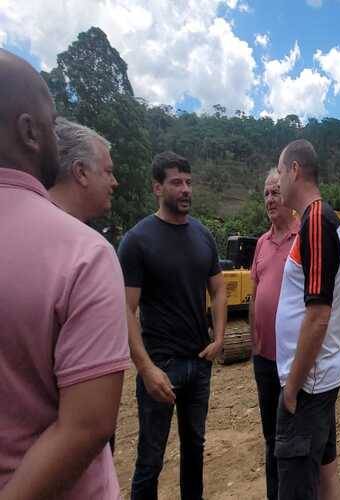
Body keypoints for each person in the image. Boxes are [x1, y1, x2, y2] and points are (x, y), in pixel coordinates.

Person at [0, 49, 129, 499]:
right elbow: (88, 427)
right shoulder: (84, 255)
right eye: (50, 121)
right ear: (30, 131)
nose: (114, 183)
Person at [118, 151, 228, 500]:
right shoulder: (137, 240)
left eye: (189, 182)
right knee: (150, 459)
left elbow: (219, 287)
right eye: (176, 182)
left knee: (195, 451)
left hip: (199, 363)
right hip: (160, 367)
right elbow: (125, 309)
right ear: (157, 187)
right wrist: (145, 368)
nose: (185, 189)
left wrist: (221, 337)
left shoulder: (203, 235)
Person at [274, 139, 340, 500]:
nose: (276, 180)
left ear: (294, 170)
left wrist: (291, 388)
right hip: (317, 381)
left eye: (279, 170)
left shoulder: (317, 221)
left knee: (297, 488)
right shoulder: (317, 221)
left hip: (307, 387)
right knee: (326, 473)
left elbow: (318, 316)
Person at [250, 168, 300, 499]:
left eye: (275, 192)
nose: (270, 199)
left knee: (293, 442)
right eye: (266, 193)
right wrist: (254, 339)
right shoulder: (261, 244)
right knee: (271, 439)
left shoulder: (304, 237)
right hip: (264, 359)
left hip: (294, 363)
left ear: (288, 195)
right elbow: (255, 290)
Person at [49, 117, 118, 223]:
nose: (115, 183)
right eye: (108, 172)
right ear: (81, 172)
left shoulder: (23, 223)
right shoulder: (80, 238)